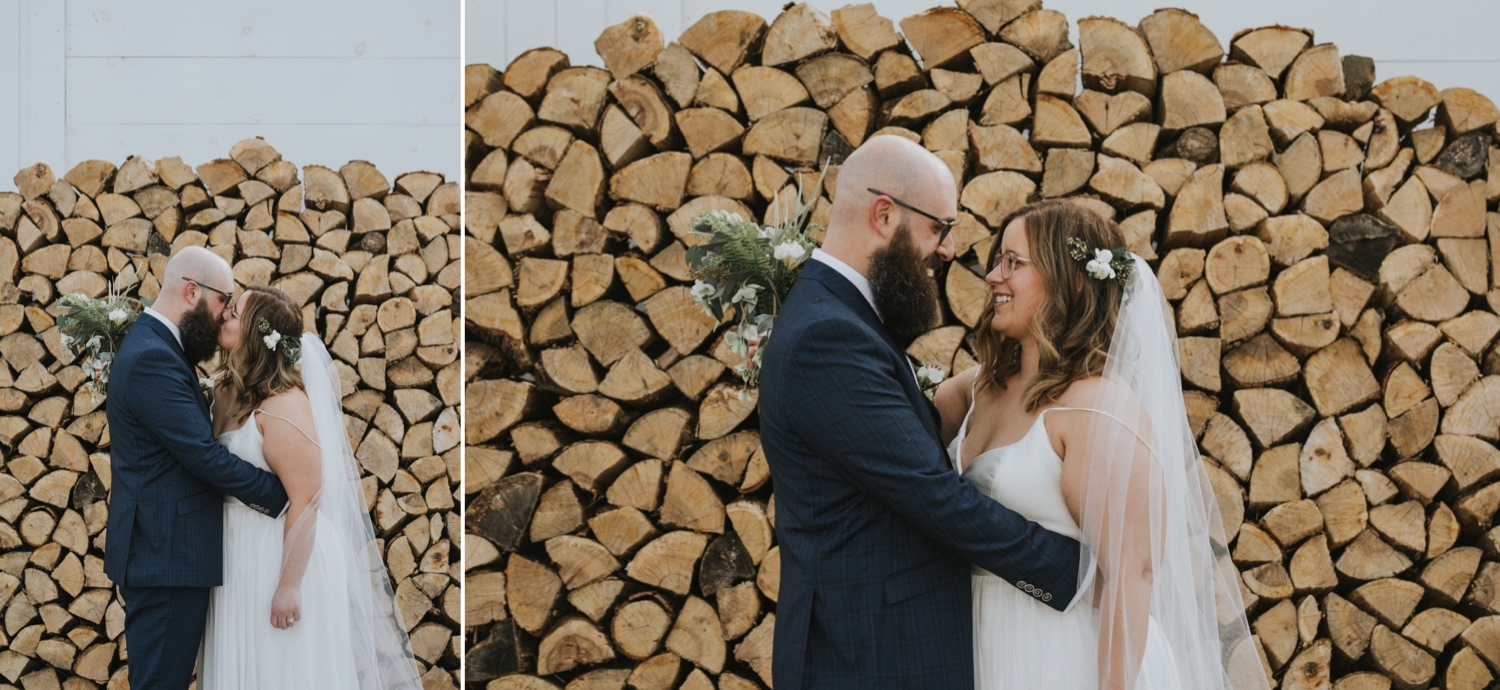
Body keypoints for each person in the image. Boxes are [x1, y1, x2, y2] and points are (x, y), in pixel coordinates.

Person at [757, 135, 1084, 690]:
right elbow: (935, 496)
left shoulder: (841, 315)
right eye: (940, 227)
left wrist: (1033, 371)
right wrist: (1079, 574)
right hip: (870, 656)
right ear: (885, 215)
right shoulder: (829, 335)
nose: (949, 249)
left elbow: (898, 441)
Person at [934, 200, 1268, 689]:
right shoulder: (976, 388)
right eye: (996, 261)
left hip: (1064, 657)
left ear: (1072, 281)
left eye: (1013, 263)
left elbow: (1133, 578)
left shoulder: (1099, 411)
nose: (992, 277)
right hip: (979, 643)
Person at [199, 285, 422, 688]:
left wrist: (288, 585)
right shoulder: (221, 389)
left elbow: (308, 499)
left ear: (256, 331)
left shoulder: (284, 404)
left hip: (278, 556)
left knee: (281, 672)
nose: (225, 315)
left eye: (236, 312)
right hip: (234, 552)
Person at [104, 247, 290, 688]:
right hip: (165, 557)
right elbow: (203, 455)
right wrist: (281, 494)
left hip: (166, 552)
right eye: (224, 300)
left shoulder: (162, 345)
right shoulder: (154, 356)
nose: (226, 313)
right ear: (193, 291)